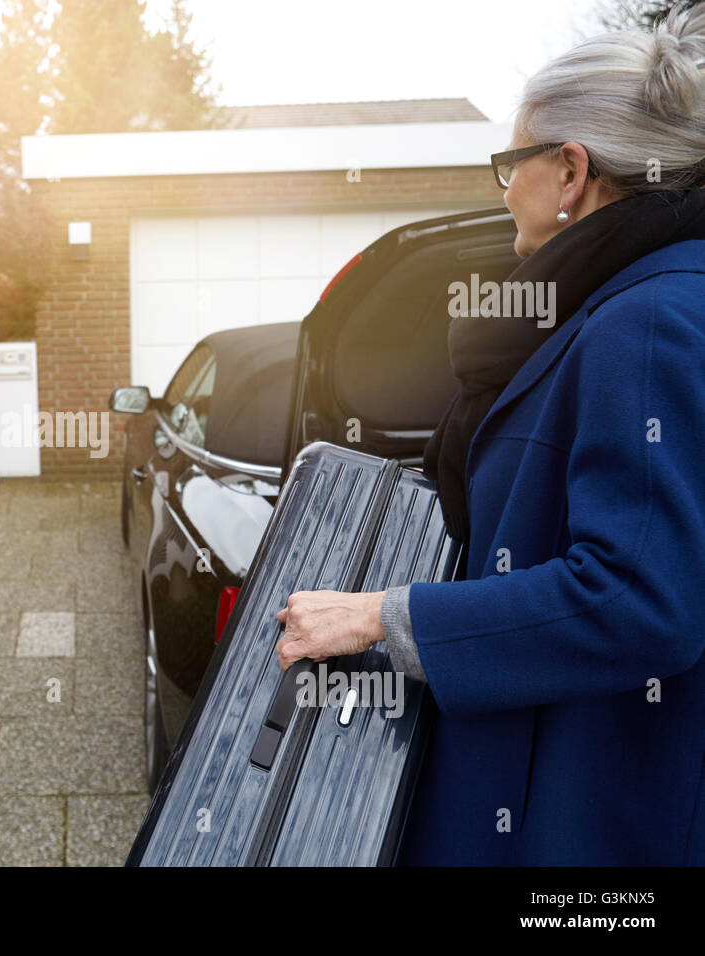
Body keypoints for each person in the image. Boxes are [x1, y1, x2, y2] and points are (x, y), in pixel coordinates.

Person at [274, 4, 705, 864]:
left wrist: (381, 618)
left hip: (585, 818)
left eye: (512, 163)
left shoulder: (651, 320)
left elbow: (637, 597)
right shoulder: (617, 305)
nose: (504, 187)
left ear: (571, 171)